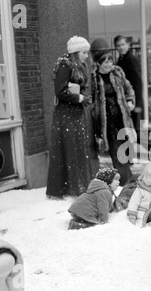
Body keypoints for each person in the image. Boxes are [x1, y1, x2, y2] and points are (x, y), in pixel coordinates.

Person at [46, 36, 93, 199]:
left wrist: (82, 97)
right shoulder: (65, 65)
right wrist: (79, 98)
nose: (86, 56)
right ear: (75, 52)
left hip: (75, 112)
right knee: (70, 148)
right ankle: (68, 187)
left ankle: (76, 186)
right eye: (84, 52)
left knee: (77, 148)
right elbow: (60, 91)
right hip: (66, 114)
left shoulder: (77, 65)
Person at [89, 38, 137, 186]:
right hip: (107, 121)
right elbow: (90, 100)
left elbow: (129, 88)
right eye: (106, 62)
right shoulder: (94, 78)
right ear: (98, 63)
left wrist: (130, 101)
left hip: (122, 118)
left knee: (126, 149)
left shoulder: (117, 72)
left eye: (111, 60)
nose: (110, 64)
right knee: (117, 152)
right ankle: (127, 181)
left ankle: (128, 176)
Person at [114, 35, 143, 139]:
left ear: (128, 45)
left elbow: (138, 81)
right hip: (128, 99)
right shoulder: (122, 59)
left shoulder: (131, 59)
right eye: (118, 45)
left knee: (137, 129)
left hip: (134, 99)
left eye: (123, 44)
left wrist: (138, 103)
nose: (121, 47)